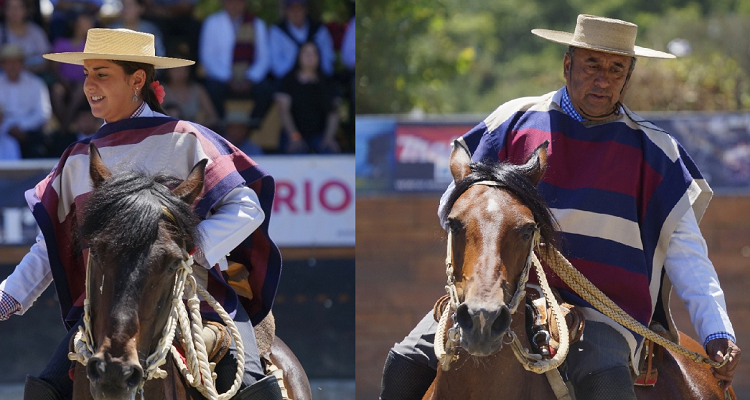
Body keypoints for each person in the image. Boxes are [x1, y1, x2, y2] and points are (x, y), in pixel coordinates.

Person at [380, 15, 741, 400]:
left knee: (605, 379)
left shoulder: (657, 153)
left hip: (605, 313)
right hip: (499, 293)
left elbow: (688, 254)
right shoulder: (512, 121)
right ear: (567, 65)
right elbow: (455, 208)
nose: (602, 79)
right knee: (402, 363)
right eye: (591, 65)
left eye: (615, 69)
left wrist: (716, 331)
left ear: (628, 77)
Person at [0, 28, 283, 400]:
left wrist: (186, 252)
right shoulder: (77, 158)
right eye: (86, 74)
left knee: (253, 388)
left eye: (102, 74)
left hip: (194, 299)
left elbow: (246, 207)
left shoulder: (185, 138)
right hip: (105, 311)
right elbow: (47, 248)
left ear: (137, 80)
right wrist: (5, 299)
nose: (89, 85)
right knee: (43, 393)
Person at [198, 0, 273, 123]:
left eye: (239, 2)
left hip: (250, 78)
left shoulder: (257, 24)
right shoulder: (212, 22)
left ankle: (250, 126)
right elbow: (208, 57)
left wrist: (250, 78)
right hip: (221, 78)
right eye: (230, 2)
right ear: (223, 3)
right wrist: (228, 78)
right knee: (211, 90)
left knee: (267, 90)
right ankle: (223, 126)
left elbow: (264, 58)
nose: (234, 5)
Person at [275, 41, 340, 154]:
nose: (310, 57)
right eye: (306, 53)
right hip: (293, 134)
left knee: (329, 152)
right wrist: (294, 136)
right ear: (298, 56)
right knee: (296, 153)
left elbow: (333, 113)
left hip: (321, 135)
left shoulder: (328, 82)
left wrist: (329, 137)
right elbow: (283, 112)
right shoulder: (288, 81)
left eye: (313, 53)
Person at [0, 43, 51, 159]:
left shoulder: (36, 83)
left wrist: (22, 127)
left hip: (30, 133)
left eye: (16, 62)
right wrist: (8, 127)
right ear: (2, 64)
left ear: (22, 63)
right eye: (8, 62)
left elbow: (43, 113)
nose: (12, 66)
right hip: (3, 132)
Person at [268, 0, 335, 80]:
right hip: (288, 82)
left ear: (305, 10)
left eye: (299, 9)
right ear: (286, 11)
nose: (295, 13)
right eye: (292, 9)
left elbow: (327, 60)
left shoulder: (319, 29)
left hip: (318, 80)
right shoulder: (277, 31)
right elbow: (277, 65)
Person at [0, 0, 51, 75]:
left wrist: (30, 69)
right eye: (10, 7)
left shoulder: (36, 32)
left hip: (35, 77)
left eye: (18, 7)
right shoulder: (1, 32)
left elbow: (47, 58)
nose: (14, 11)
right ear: (4, 10)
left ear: (26, 10)